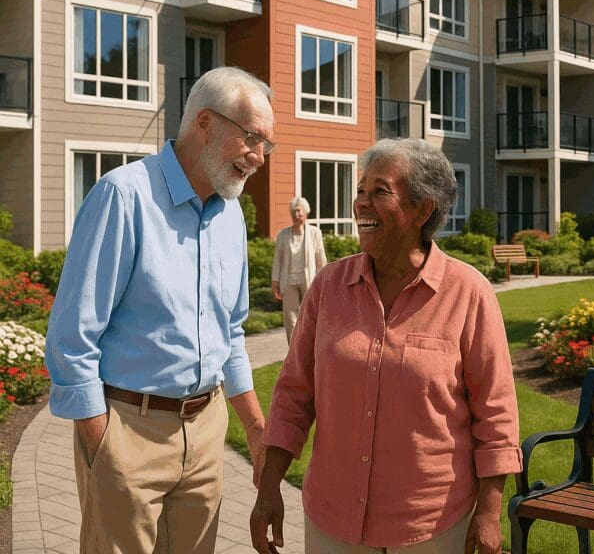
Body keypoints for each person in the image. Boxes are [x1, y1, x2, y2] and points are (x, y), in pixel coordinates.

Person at [250, 138, 521, 554]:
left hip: (432, 524)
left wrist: (488, 513)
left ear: (422, 209)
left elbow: (496, 417)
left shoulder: (468, 294)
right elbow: (293, 395)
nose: (362, 203)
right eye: (360, 191)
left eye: (380, 191)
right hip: (332, 520)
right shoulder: (328, 287)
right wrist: (268, 487)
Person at [44, 67, 273, 553]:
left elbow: (230, 333)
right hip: (128, 430)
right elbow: (72, 336)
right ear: (206, 123)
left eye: (266, 146)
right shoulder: (123, 196)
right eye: (252, 138)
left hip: (208, 432)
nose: (259, 158)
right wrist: (102, 443)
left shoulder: (230, 215)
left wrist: (254, 429)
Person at [271, 196, 328, 342]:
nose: (296, 215)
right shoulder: (283, 235)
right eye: (293, 212)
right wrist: (275, 282)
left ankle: (310, 349)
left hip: (308, 280)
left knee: (309, 316)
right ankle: (293, 352)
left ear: (305, 212)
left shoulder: (315, 233)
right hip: (289, 281)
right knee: (291, 319)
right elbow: (278, 260)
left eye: (298, 211)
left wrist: (324, 281)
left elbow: (320, 258)